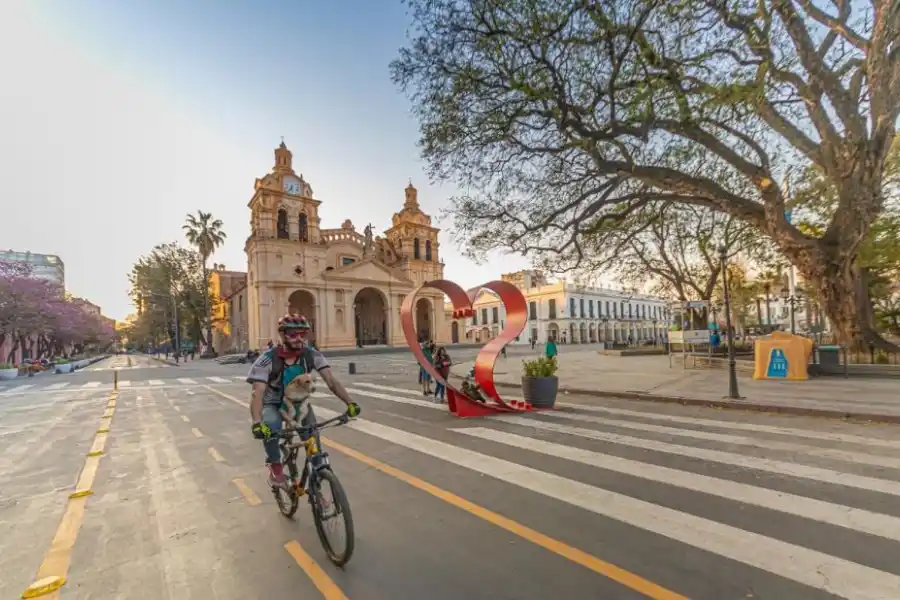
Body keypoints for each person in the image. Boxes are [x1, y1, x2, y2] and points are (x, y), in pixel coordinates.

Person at [247, 313, 360, 486]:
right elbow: (257, 393)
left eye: (302, 334)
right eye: (293, 335)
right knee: (270, 427)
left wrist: (350, 403)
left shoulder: (311, 354)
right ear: (283, 335)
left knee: (313, 437)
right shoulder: (267, 359)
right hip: (274, 404)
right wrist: (256, 422)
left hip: (299, 404)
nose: (299, 339)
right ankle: (275, 468)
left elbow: (331, 381)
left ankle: (318, 486)